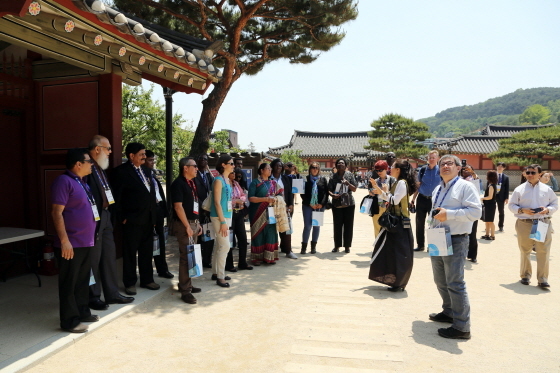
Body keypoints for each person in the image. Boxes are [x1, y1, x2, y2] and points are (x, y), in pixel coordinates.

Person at [428, 155, 481, 340]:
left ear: (459, 168)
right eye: (442, 164)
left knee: (455, 283)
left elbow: (476, 212)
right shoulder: (437, 188)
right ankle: (449, 311)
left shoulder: (466, 187)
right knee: (440, 279)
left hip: (456, 238)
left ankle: (462, 326)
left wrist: (449, 214)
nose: (445, 166)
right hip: (437, 237)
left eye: (450, 163)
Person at [51, 148, 98, 333]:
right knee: (69, 282)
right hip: (71, 243)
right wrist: (64, 241)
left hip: (85, 242)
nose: (92, 164)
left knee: (82, 280)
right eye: (89, 161)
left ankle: (82, 312)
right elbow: (56, 212)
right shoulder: (63, 181)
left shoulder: (82, 182)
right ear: (78, 164)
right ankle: (70, 321)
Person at [86, 136, 133, 311]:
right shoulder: (86, 166)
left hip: (106, 216)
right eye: (108, 148)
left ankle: (112, 294)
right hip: (93, 219)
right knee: (93, 259)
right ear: (97, 149)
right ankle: (93, 296)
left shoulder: (100, 167)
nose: (111, 152)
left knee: (108, 257)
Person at [112, 142, 160, 295]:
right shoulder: (121, 172)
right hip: (131, 220)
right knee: (130, 253)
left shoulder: (146, 170)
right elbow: (116, 198)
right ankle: (130, 282)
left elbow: (151, 193)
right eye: (141, 154)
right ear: (131, 156)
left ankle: (147, 280)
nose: (144, 157)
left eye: (145, 154)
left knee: (146, 251)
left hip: (148, 219)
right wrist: (122, 218)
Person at [369, 160, 417, 292]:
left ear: (398, 170)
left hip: (399, 223)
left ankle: (398, 282)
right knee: (393, 252)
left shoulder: (401, 183)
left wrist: (384, 192)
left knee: (399, 254)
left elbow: (394, 200)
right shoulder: (398, 182)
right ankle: (395, 281)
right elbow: (390, 198)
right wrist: (380, 191)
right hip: (397, 222)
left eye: (393, 167)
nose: (390, 169)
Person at [509, 164, 558, 289]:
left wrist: (547, 210)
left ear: (539, 174)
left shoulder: (547, 190)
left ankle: (542, 279)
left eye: (533, 172)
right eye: (528, 172)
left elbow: (555, 204)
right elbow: (511, 205)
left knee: (543, 250)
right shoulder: (519, 189)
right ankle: (525, 275)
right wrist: (521, 210)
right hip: (525, 223)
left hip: (541, 222)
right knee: (525, 250)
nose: (530, 175)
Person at [170, 157, 203, 304]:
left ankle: (187, 284)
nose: (197, 168)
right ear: (185, 168)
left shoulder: (192, 182)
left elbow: (194, 204)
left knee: (192, 256)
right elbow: (178, 207)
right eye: (194, 166)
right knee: (186, 257)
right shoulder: (178, 184)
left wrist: (198, 223)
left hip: (194, 223)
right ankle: (185, 290)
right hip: (184, 225)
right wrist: (188, 226)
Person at [145, 150, 173, 279]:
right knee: (149, 244)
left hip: (159, 211)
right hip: (148, 215)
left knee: (160, 243)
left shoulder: (153, 176)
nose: (153, 163)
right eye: (150, 160)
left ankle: (162, 269)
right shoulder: (142, 177)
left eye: (153, 160)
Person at [248, 163, 281, 265]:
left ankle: (269, 257)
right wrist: (265, 199)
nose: (270, 170)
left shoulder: (273, 183)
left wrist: (276, 199)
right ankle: (257, 258)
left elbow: (280, 195)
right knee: (258, 233)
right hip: (257, 212)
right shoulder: (255, 182)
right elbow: (251, 198)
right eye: (267, 168)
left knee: (271, 233)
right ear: (261, 170)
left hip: (271, 212)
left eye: (270, 168)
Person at [210, 154, 235, 288]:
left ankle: (216, 272)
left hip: (227, 215)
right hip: (219, 217)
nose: (233, 166)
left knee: (219, 245)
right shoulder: (218, 180)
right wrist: (223, 222)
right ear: (223, 165)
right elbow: (216, 202)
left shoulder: (226, 179)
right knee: (225, 246)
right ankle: (220, 276)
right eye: (231, 163)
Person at [411, 150, 440, 252]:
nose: (431, 159)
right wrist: (413, 199)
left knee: (433, 223)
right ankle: (420, 245)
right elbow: (418, 185)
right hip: (422, 198)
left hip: (435, 201)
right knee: (419, 223)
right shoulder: (423, 170)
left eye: (433, 158)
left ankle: (432, 246)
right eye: (429, 158)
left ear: (437, 159)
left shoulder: (440, 171)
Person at [328, 158, 358, 253]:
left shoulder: (350, 175)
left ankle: (347, 246)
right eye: (339, 163)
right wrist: (333, 195)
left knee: (348, 225)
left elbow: (354, 189)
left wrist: (347, 183)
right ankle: (337, 245)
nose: (340, 164)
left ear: (346, 166)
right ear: (336, 166)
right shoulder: (333, 177)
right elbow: (329, 189)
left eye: (342, 163)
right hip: (337, 203)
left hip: (349, 203)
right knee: (337, 225)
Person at [225, 169, 252, 270]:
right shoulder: (224, 184)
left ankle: (242, 263)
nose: (234, 175)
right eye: (232, 173)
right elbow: (224, 199)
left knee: (243, 239)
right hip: (229, 214)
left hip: (238, 213)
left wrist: (241, 200)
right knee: (230, 240)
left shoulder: (236, 183)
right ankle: (229, 265)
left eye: (234, 173)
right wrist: (234, 201)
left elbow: (243, 195)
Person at [270, 158, 297, 258]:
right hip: (271, 207)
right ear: (272, 167)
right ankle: (272, 250)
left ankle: (288, 251)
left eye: (280, 166)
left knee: (286, 228)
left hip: (284, 207)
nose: (278, 167)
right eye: (276, 165)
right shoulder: (269, 178)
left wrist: (291, 204)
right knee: (272, 228)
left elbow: (290, 192)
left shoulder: (285, 178)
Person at [300, 162, 328, 254]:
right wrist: (309, 203)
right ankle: (304, 247)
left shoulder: (323, 179)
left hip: (319, 206)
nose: (315, 169)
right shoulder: (305, 180)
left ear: (319, 169)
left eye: (316, 167)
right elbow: (302, 194)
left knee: (316, 226)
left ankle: (313, 247)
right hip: (308, 206)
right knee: (307, 226)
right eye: (313, 167)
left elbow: (326, 193)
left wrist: (322, 204)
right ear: (310, 169)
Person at [194, 154, 215, 268]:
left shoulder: (208, 176)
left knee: (209, 237)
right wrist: (203, 206)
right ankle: (198, 261)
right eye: (201, 158)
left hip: (208, 210)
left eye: (205, 159)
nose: (203, 161)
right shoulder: (194, 175)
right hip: (198, 210)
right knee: (197, 237)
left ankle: (207, 261)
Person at [368, 160, 396, 237]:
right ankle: (378, 246)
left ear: (386, 169)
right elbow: (370, 191)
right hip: (377, 207)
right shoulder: (375, 181)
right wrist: (371, 192)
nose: (379, 172)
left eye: (381, 170)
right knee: (377, 228)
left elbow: (395, 195)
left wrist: (386, 191)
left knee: (389, 228)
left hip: (388, 207)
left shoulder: (392, 180)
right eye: (377, 170)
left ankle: (388, 247)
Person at [461, 164, 481, 263]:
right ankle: (463, 253)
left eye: (468, 169)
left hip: (471, 210)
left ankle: (472, 255)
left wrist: (472, 172)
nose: (466, 171)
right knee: (462, 233)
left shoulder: (473, 179)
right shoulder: (458, 180)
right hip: (461, 210)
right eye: (464, 169)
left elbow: (477, 181)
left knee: (472, 233)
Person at [480, 170, 498, 240]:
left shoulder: (491, 186)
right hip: (488, 205)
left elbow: (490, 197)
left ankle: (492, 235)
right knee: (487, 221)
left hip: (490, 205)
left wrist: (482, 198)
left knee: (490, 221)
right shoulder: (491, 184)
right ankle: (487, 234)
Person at [495, 162, 510, 232]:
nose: (499, 167)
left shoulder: (506, 177)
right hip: (493, 196)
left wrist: (507, 198)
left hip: (501, 197)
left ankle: (501, 226)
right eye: (498, 166)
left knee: (501, 211)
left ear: (504, 168)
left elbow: (507, 188)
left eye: (501, 166)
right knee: (490, 211)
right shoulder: (493, 175)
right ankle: (489, 224)